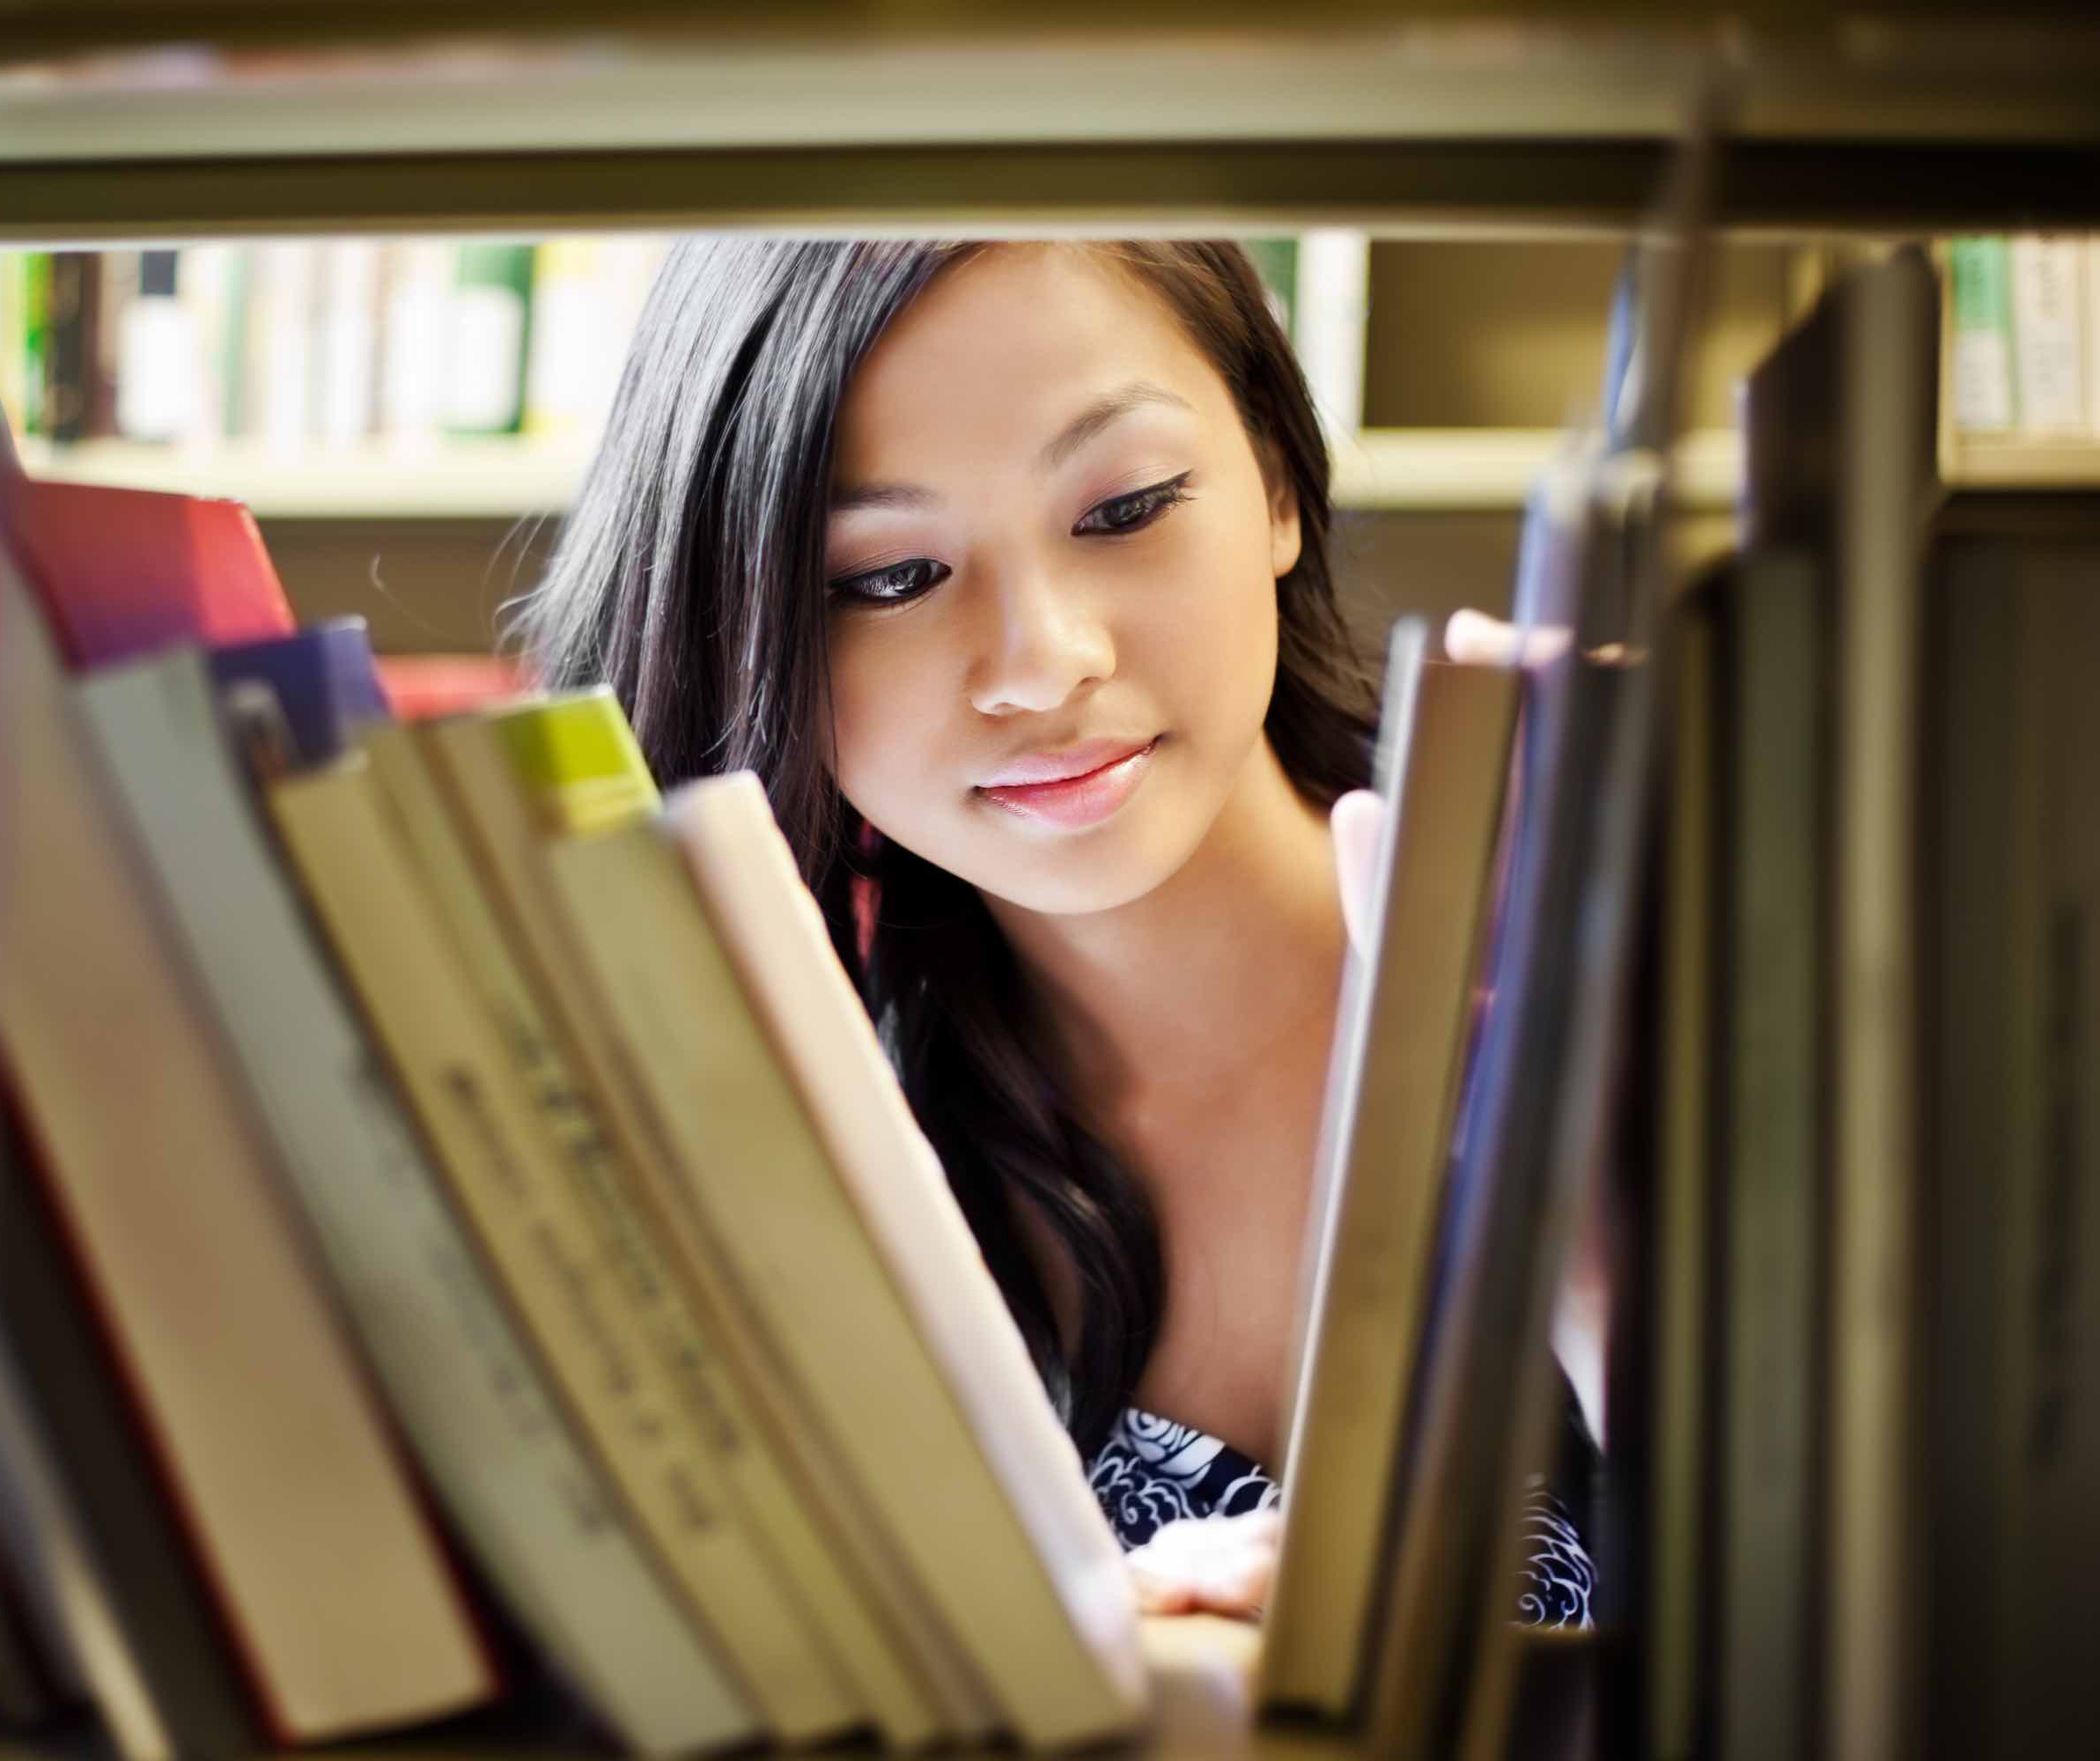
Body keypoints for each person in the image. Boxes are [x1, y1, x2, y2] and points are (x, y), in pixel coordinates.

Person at [510, 239, 1596, 1624]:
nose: (1044, 662)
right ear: (753, 626)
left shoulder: (1603, 970)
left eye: (1126, 507)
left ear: (1272, 482)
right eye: (892, 577)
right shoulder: (776, 1176)